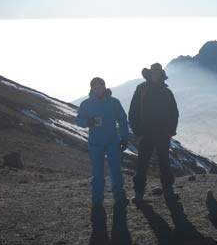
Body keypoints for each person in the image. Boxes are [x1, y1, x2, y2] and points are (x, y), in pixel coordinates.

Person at [129, 63, 179, 203]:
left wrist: (171, 131)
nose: (155, 75)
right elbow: (133, 111)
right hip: (146, 133)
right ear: (150, 74)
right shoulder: (141, 89)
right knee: (142, 164)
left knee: (164, 163)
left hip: (163, 134)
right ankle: (139, 194)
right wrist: (137, 130)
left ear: (161, 75)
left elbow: (174, 113)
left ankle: (168, 191)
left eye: (157, 73)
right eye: (153, 73)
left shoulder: (166, 92)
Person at [76, 77, 129, 208]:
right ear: (92, 88)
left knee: (116, 171)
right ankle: (97, 200)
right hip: (96, 143)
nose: (98, 89)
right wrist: (88, 122)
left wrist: (124, 137)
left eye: (100, 86)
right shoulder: (86, 104)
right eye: (96, 87)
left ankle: (120, 197)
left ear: (104, 87)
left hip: (112, 142)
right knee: (97, 172)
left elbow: (122, 120)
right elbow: (79, 120)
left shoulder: (113, 102)